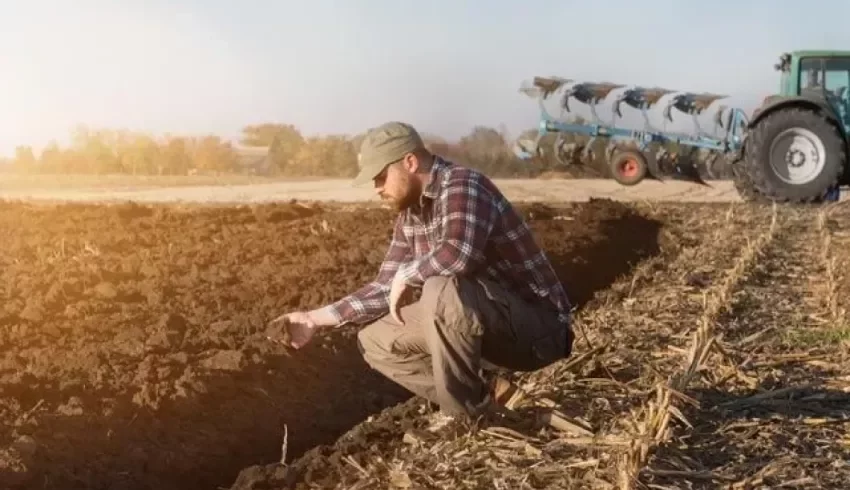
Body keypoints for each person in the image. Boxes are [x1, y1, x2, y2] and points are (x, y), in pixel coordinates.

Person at [268, 121, 573, 425]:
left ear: (409, 162)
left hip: (539, 332)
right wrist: (314, 318)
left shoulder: (463, 185)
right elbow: (387, 285)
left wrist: (409, 274)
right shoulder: (410, 214)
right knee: (376, 340)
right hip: (486, 325)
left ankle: (469, 420)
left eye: (380, 177)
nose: (377, 189)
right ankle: (489, 397)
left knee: (440, 289)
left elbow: (457, 254)